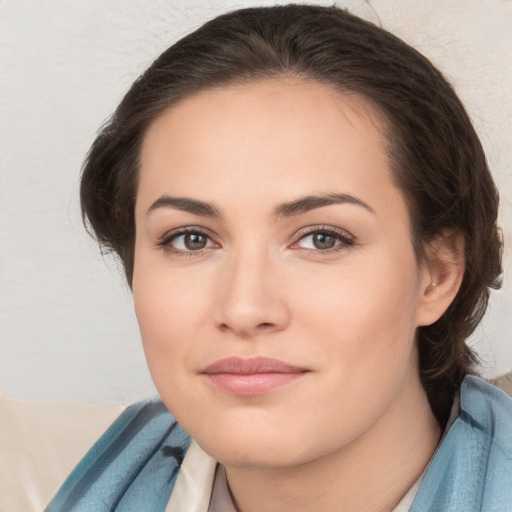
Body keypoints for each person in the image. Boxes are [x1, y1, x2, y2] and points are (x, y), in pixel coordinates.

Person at [46, 4, 511, 511]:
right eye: (191, 239)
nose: (245, 308)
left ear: (438, 276)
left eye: (321, 239)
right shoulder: (33, 482)